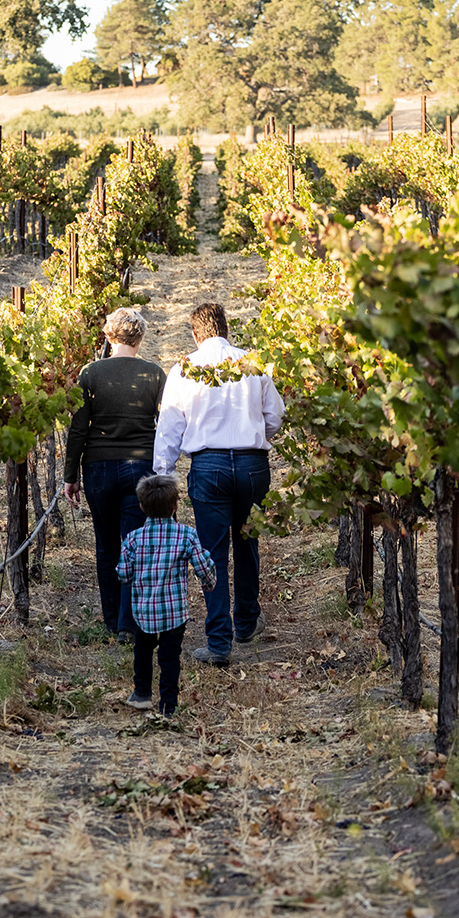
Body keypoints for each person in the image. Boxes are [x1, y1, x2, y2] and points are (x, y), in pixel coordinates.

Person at [153, 302, 285, 666]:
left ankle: (218, 642)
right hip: (251, 464)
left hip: (208, 466)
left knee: (211, 554)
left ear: (195, 334)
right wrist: (256, 432)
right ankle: (245, 622)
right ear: (226, 329)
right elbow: (275, 415)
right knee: (248, 542)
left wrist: (163, 477)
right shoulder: (252, 363)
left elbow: (169, 429)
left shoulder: (184, 368)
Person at [64, 308, 166, 641]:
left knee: (106, 546)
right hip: (141, 467)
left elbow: (79, 429)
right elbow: (164, 426)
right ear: (140, 337)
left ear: (109, 336)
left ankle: (110, 620)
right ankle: (128, 624)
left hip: (98, 469)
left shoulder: (91, 373)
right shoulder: (154, 374)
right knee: (134, 545)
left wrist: (70, 475)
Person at [116, 473, 216, 715]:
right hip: (174, 611)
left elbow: (123, 573)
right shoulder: (186, 535)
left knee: (142, 650)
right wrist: (209, 581)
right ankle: (168, 705)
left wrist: (133, 578)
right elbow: (203, 566)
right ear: (175, 505)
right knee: (170, 657)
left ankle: (141, 694)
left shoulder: (133, 538)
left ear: (141, 506)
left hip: (143, 611)